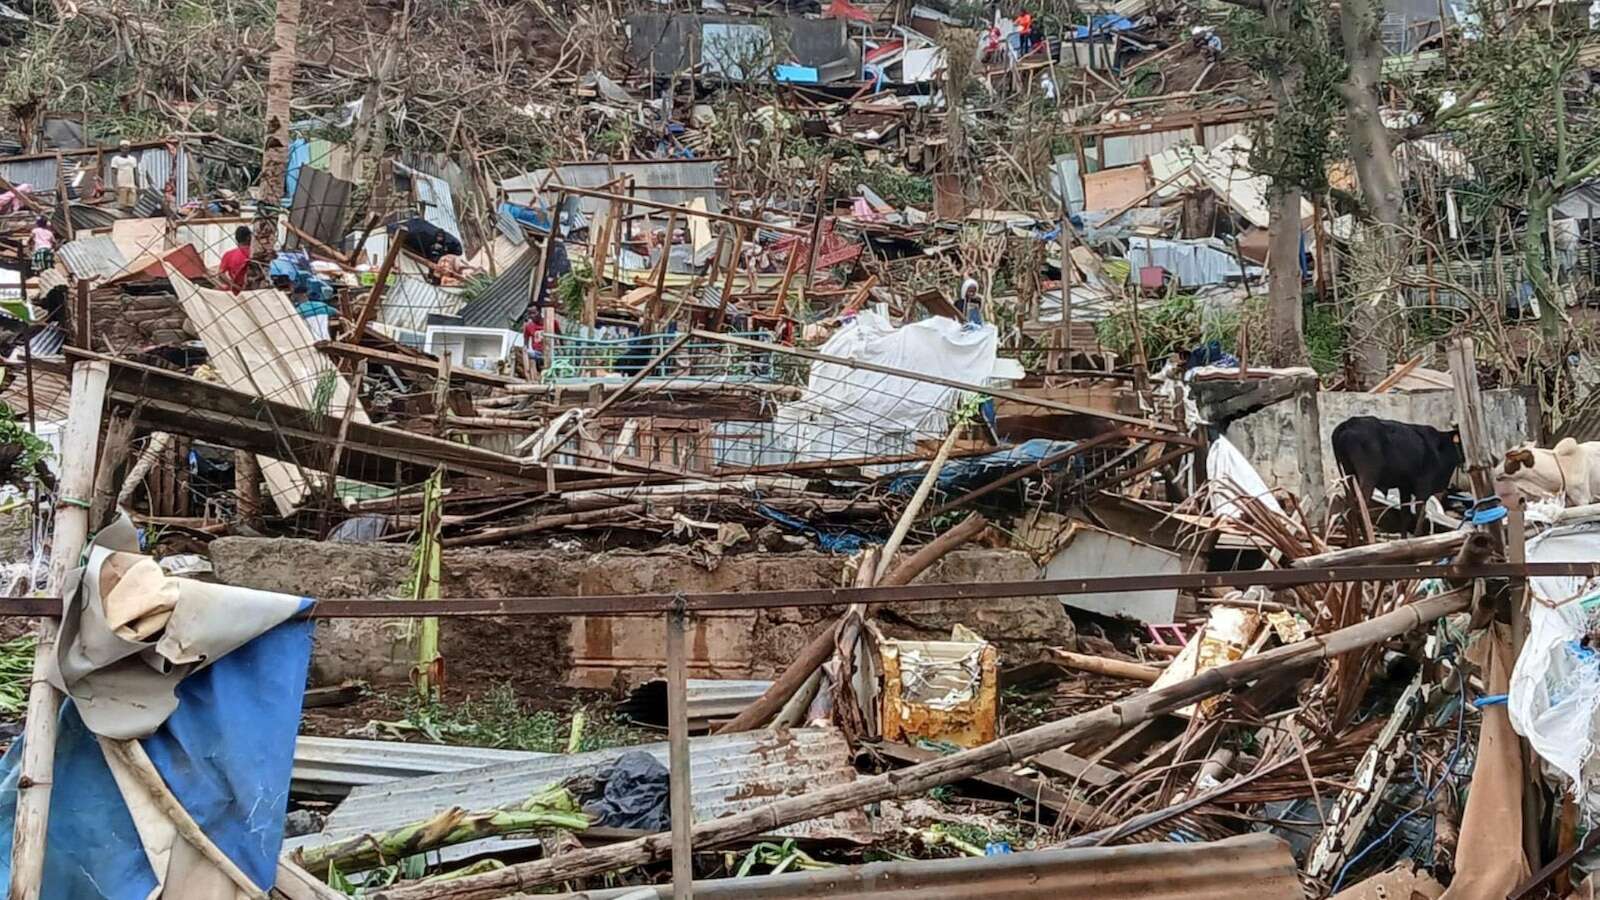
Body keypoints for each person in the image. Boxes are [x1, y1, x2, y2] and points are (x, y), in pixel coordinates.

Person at [219, 225, 252, 293]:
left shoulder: (228, 254)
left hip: (236, 292)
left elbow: (221, 274)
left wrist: (233, 285)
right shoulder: (256, 254)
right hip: (254, 290)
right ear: (249, 237)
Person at [109, 140, 140, 210]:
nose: (125, 150)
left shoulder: (133, 159)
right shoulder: (116, 159)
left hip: (131, 186)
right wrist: (115, 186)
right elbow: (114, 173)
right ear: (120, 149)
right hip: (121, 186)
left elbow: (135, 172)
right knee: (122, 206)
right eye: (124, 148)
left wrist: (137, 184)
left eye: (127, 148)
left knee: (131, 205)